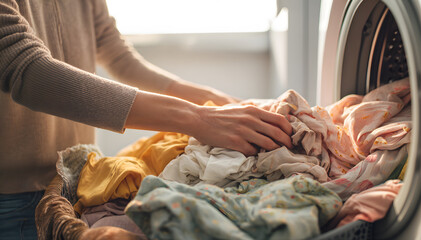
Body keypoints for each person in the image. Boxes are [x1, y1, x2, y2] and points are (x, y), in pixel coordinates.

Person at [0, 0, 293, 239]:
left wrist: (220, 102)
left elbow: (116, 54)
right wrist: (198, 118)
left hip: (76, 180)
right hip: (14, 199)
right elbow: (27, 69)